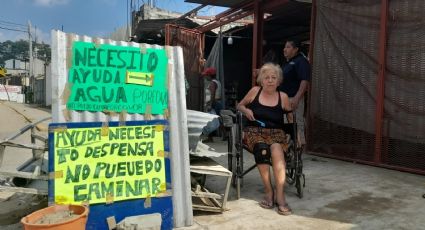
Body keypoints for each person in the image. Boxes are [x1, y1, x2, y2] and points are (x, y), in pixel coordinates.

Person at [237, 63, 292, 215]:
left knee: (277, 150)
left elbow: (290, 116)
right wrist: (246, 110)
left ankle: (280, 194)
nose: (270, 80)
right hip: (254, 131)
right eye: (266, 77)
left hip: (276, 132)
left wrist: (297, 135)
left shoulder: (283, 97)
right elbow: (239, 105)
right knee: (262, 150)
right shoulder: (255, 91)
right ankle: (269, 190)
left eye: (273, 77)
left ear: (278, 81)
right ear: (261, 80)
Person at [278, 40, 311, 148]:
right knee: (287, 124)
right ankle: (289, 148)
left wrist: (297, 98)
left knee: (297, 122)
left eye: (288, 47)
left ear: (295, 49)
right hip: (284, 98)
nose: (284, 49)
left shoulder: (301, 61)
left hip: (294, 97)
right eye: (284, 47)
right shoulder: (287, 62)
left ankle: (299, 149)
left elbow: (305, 81)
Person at [201, 67, 223, 142]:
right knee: (219, 119)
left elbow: (212, 94)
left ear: (209, 75)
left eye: (206, 75)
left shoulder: (213, 83)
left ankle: (210, 138)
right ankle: (224, 136)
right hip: (217, 102)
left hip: (214, 103)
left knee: (210, 120)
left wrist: (210, 105)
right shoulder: (217, 82)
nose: (205, 77)